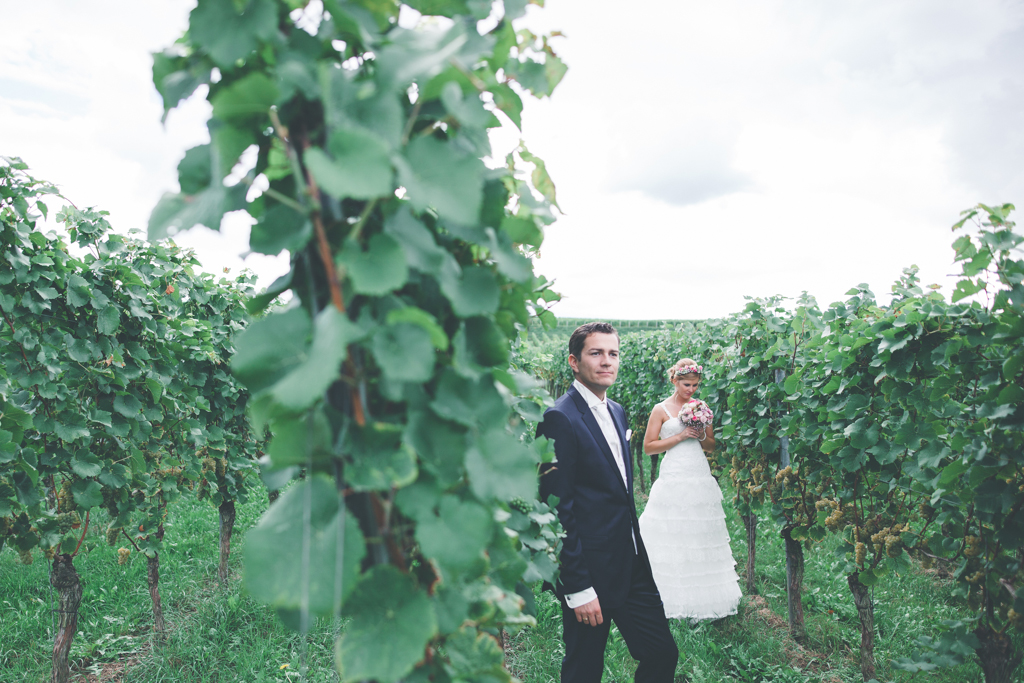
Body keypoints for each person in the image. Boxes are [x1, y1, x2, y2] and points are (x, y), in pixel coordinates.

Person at [537, 322, 678, 683]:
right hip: (589, 568)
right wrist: (578, 586)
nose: (606, 361)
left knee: (662, 653)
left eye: (612, 353)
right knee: (585, 668)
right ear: (574, 361)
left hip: (631, 561)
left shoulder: (616, 410)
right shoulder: (559, 418)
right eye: (595, 353)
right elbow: (555, 510)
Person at [637, 359, 742, 621]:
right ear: (674, 380)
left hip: (697, 470)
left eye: (695, 385)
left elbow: (710, 447)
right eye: (687, 384)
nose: (691, 390)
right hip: (674, 471)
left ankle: (703, 597)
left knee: (699, 529)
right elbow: (649, 446)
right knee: (671, 527)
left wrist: (701, 432)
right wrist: (680, 436)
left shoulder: (702, 407)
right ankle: (664, 594)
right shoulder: (660, 409)